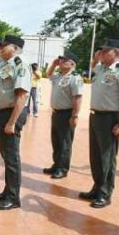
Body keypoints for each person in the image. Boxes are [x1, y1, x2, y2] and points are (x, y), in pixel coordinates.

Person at [79, 39, 119, 209]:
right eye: (101, 51)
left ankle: (105, 193)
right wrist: (97, 57)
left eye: (105, 51)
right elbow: (93, 63)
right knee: (95, 155)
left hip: (110, 117)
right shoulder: (101, 69)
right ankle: (97, 187)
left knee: (107, 157)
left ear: (116, 53)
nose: (101, 53)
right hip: (95, 116)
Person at [0, 35, 32, 210]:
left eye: (3, 46)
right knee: (6, 156)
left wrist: (12, 122)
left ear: (14, 48)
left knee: (12, 157)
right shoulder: (4, 64)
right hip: (1, 113)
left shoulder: (20, 63)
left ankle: (14, 198)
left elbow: (22, 95)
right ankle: (8, 190)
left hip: (10, 114)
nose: (0, 49)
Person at [42, 51, 84, 179]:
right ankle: (56, 165)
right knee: (56, 141)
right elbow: (48, 75)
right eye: (60, 60)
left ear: (71, 63)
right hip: (56, 113)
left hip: (67, 114)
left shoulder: (75, 77)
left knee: (65, 143)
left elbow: (77, 97)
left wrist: (75, 115)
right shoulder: (59, 75)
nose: (60, 62)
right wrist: (54, 65)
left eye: (63, 60)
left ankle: (63, 169)